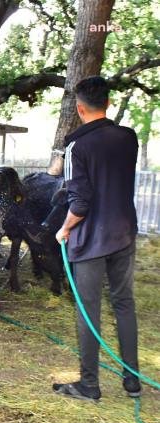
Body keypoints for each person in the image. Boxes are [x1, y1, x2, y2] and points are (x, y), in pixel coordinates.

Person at [53, 76, 141, 401]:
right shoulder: (128, 138)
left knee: (88, 310)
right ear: (108, 103)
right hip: (124, 233)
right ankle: (132, 381)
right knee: (124, 304)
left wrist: (64, 229)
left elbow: (80, 203)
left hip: (90, 239)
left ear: (79, 108)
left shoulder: (77, 146)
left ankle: (89, 385)